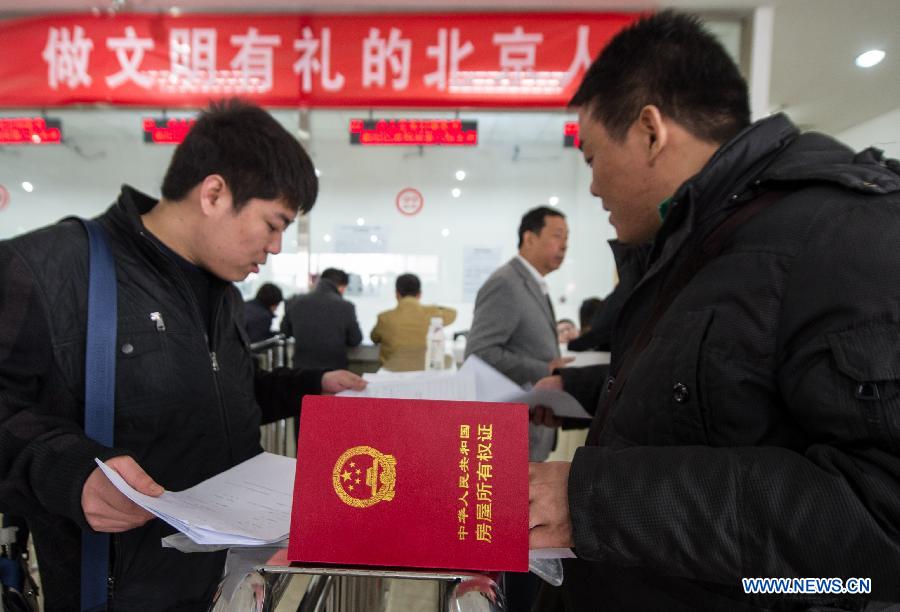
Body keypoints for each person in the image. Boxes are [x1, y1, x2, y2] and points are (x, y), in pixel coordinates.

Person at [528, 11, 900, 609]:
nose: (593, 187)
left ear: (651, 130)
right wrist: (574, 388)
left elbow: (879, 537)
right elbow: (714, 390)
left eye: (593, 158)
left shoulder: (842, 234)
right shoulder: (701, 245)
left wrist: (593, 501)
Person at [0, 99, 366, 611]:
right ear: (214, 193)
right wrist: (71, 472)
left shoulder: (223, 294)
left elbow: (224, 392)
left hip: (227, 580)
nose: (278, 247)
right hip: (117, 591)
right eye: (273, 223)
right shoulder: (52, 269)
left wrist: (310, 384)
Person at [465, 205, 572, 462]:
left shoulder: (534, 283)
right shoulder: (506, 283)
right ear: (529, 237)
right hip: (512, 432)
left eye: (567, 238)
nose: (565, 245)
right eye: (557, 235)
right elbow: (479, 353)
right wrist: (546, 369)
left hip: (533, 428)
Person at [370, 273, 457, 371]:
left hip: (392, 375)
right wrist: (433, 308)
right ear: (419, 294)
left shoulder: (384, 318)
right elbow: (453, 313)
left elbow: (374, 338)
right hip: (424, 374)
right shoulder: (432, 314)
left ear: (397, 294)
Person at [281, 268, 363, 370]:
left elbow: (285, 332)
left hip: (301, 372)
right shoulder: (346, 306)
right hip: (334, 372)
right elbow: (355, 340)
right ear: (342, 287)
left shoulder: (295, 302)